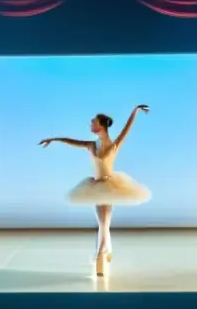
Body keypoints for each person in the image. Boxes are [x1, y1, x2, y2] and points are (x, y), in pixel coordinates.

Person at [39, 106, 151, 278]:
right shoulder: (91, 145)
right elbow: (71, 141)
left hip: (110, 186)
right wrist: (54, 139)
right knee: (103, 222)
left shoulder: (114, 145)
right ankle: (107, 250)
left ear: (101, 126)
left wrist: (135, 110)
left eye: (93, 122)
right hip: (96, 186)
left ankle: (100, 256)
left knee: (104, 222)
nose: (91, 124)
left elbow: (127, 128)